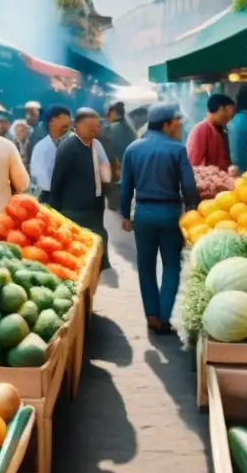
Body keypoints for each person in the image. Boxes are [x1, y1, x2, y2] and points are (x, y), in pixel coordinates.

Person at [121, 103, 199, 334]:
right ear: (166, 123)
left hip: (143, 213)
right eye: (176, 120)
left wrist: (125, 214)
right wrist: (192, 210)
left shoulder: (133, 149)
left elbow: (126, 187)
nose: (180, 123)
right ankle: (165, 317)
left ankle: (151, 315)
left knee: (145, 266)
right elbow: (188, 186)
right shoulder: (177, 149)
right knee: (171, 266)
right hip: (170, 214)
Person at [49, 107, 113, 270]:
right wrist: (55, 211)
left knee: (98, 236)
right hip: (75, 208)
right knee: (80, 244)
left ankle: (101, 265)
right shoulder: (68, 147)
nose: (95, 130)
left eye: (97, 127)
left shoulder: (93, 145)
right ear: (75, 126)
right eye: (90, 127)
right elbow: (57, 180)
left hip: (95, 205)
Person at [29, 105, 72, 202]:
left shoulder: (74, 142)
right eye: (64, 117)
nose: (69, 120)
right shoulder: (41, 147)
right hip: (49, 197)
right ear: (52, 121)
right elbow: (38, 177)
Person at [186, 93, 235, 171]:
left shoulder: (220, 130)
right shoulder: (202, 129)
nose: (231, 116)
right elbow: (194, 165)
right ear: (221, 109)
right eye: (231, 111)